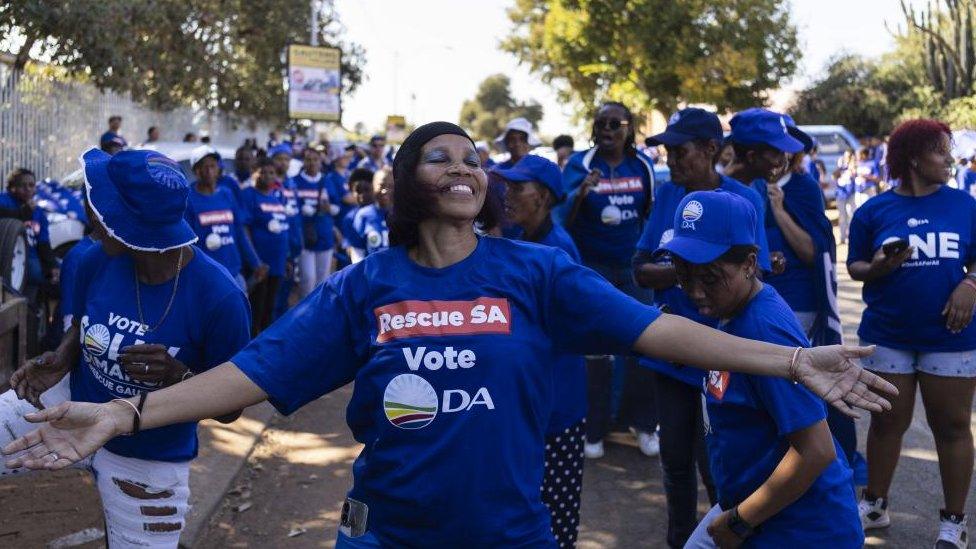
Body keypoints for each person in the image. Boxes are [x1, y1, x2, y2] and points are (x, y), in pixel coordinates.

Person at [1, 123, 895, 549]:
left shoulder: (535, 273)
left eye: (475, 158)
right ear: (405, 183)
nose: (464, 165)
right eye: (441, 156)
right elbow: (248, 373)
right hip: (385, 531)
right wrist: (125, 414)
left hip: (509, 534)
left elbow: (659, 330)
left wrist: (790, 358)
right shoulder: (366, 286)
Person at [0, 148, 250, 548]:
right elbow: (82, 322)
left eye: (101, 208)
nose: (91, 216)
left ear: (133, 227)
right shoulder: (90, 259)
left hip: (150, 454)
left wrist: (178, 376)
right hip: (67, 409)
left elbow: (232, 407)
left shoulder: (220, 298)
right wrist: (64, 357)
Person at [664, 191, 862, 549]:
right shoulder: (730, 310)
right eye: (682, 274)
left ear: (749, 264)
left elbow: (816, 450)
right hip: (757, 511)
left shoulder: (763, 327)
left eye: (709, 277)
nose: (694, 291)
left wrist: (740, 521)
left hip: (802, 530)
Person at [633, 108, 770, 547]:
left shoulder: (742, 200)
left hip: (721, 354)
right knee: (675, 463)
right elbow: (639, 269)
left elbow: (756, 273)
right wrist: (694, 269)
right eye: (668, 151)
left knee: (718, 465)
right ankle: (680, 539)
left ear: (712, 149)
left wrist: (677, 267)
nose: (672, 160)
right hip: (671, 354)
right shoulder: (669, 197)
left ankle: (724, 537)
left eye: (680, 150)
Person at [848, 119, 974, 549]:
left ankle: (953, 522)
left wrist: (969, 284)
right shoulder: (873, 211)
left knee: (952, 427)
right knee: (886, 424)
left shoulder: (965, 206)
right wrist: (881, 266)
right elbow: (855, 268)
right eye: (941, 151)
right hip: (889, 334)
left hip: (951, 337)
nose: (950, 159)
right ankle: (876, 504)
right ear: (915, 158)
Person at [494, 154, 587, 547]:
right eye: (507, 186)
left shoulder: (558, 253)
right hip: (526, 406)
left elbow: (571, 327)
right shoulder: (516, 241)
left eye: (518, 187)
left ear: (545, 197)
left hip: (556, 410)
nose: (508, 194)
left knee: (555, 522)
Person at [560, 102, 659, 460]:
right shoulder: (581, 165)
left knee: (644, 345)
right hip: (593, 268)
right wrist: (581, 193)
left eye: (614, 123)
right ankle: (595, 427)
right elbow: (562, 219)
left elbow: (649, 214)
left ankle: (643, 423)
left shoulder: (642, 166)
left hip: (633, 269)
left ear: (628, 128)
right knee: (595, 351)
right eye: (600, 123)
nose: (606, 129)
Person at [184, 146, 266, 289]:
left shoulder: (227, 194)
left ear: (218, 168)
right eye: (205, 167)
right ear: (196, 171)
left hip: (234, 272)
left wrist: (256, 263)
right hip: (206, 276)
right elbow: (187, 244)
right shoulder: (188, 198)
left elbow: (239, 233)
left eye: (213, 166)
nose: (210, 171)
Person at [240, 159, 290, 335]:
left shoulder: (276, 197)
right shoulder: (248, 195)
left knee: (269, 309)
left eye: (271, 173)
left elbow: (283, 228)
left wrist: (287, 258)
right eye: (263, 172)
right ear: (254, 172)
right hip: (259, 265)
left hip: (277, 264)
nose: (268, 176)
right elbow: (244, 229)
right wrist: (255, 261)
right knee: (256, 309)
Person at [293, 145, 342, 296]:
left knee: (322, 281)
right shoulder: (295, 181)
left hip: (324, 236)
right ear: (303, 161)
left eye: (316, 160)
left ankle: (318, 315)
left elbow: (337, 206)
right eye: (309, 160)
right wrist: (303, 210)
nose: (312, 163)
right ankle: (305, 314)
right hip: (305, 237)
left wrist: (329, 208)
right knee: (307, 278)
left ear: (320, 162)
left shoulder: (327, 181)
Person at [0, 168, 58, 289]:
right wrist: (22, 213)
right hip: (7, 253)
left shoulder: (38, 212)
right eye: (22, 185)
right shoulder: (4, 200)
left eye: (31, 185)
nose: (28, 189)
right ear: (12, 188)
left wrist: (52, 266)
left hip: (30, 254)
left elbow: (43, 242)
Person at [346, 168, 392, 263]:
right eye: (381, 185)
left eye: (390, 186)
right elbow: (357, 252)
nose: (385, 191)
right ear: (373, 186)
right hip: (372, 275)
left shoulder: (404, 214)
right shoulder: (363, 215)